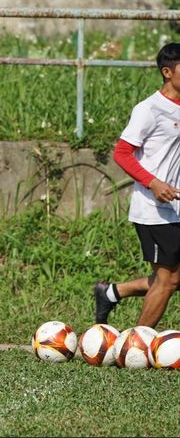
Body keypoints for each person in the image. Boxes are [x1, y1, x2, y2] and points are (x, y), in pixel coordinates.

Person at [94, 42, 180, 329]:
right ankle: (135, 345)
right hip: (155, 209)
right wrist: (153, 183)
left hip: (177, 208)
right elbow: (121, 153)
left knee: (174, 278)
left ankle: (112, 292)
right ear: (167, 72)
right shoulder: (150, 109)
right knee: (167, 281)